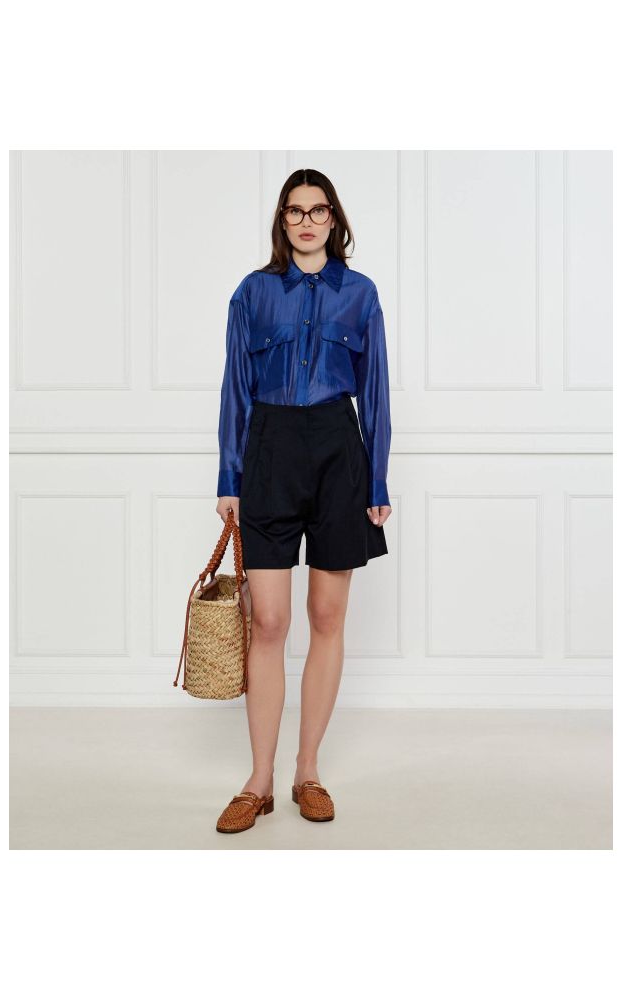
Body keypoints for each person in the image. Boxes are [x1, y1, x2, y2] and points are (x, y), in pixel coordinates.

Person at [214, 167, 392, 834]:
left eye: (318, 210)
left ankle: (307, 771)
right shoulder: (253, 292)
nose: (307, 221)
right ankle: (257, 781)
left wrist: (376, 481)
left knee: (326, 614)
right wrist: (229, 478)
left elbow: (376, 392)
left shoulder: (360, 294)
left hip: (339, 450)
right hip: (270, 449)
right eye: (295, 211)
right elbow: (235, 387)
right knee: (268, 621)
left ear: (334, 219)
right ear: (282, 221)